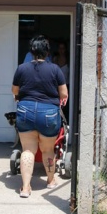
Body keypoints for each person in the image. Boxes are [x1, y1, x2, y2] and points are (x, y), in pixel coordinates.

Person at [12, 35, 68, 198]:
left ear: (32, 51)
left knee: (27, 150)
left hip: (25, 110)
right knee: (48, 149)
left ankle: (26, 188)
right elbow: (63, 93)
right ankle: (50, 181)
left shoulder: (22, 68)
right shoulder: (55, 69)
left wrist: (21, 96)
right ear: (47, 52)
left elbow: (15, 91)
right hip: (48, 112)